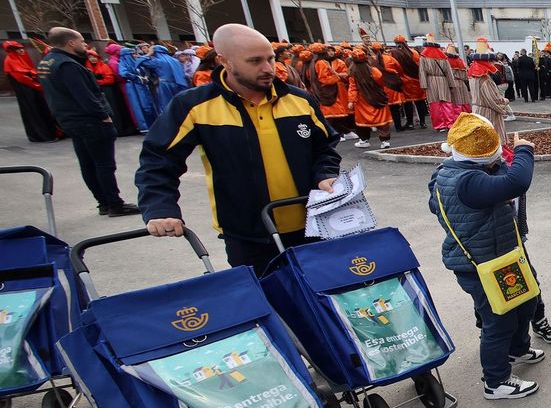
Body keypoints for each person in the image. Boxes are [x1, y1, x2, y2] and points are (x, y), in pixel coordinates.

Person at [136, 24, 340, 273]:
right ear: (224, 61)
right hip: (247, 234)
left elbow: (325, 146)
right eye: (254, 61)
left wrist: (325, 174)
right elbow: (159, 158)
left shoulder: (300, 100)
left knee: (322, 291)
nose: (268, 68)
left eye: (270, 59)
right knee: (265, 293)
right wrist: (160, 207)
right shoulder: (195, 106)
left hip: (313, 225)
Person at [427, 114, 542, 400]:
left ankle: (517, 349)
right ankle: (496, 381)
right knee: (499, 320)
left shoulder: (453, 171)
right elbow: (516, 182)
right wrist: (523, 150)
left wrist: (497, 163)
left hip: (500, 257)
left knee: (525, 301)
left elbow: (500, 178)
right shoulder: (467, 182)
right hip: (482, 265)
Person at [37, 28, 139, 215]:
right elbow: (85, 96)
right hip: (89, 121)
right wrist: (104, 116)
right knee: (103, 164)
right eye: (82, 41)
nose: (85, 45)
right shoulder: (68, 65)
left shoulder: (47, 62)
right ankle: (114, 204)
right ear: (71, 43)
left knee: (88, 164)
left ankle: (104, 202)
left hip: (69, 120)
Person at [3, 40, 60, 143]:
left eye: (21, 48)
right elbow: (23, 78)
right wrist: (39, 86)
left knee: (41, 110)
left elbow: (30, 73)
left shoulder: (20, 59)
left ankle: (51, 132)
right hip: (28, 93)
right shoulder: (11, 61)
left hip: (33, 91)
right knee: (35, 112)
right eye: (18, 49)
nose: (21, 50)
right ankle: (43, 135)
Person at [467, 40, 513, 148]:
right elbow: (493, 100)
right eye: (492, 61)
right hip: (488, 114)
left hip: (478, 110)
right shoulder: (485, 80)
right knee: (493, 141)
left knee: (482, 140)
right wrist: (505, 101)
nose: (493, 63)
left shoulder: (473, 77)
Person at [346, 48, 394, 150]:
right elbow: (381, 83)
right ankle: (385, 141)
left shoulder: (353, 73)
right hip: (377, 97)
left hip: (363, 100)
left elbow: (353, 88)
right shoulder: (374, 71)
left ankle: (364, 140)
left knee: (361, 122)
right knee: (382, 121)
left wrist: (351, 100)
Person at [418, 36, 459, 131]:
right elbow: (448, 72)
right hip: (443, 80)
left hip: (431, 81)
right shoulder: (443, 57)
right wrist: (451, 84)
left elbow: (422, 71)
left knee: (435, 104)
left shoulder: (423, 56)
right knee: (447, 103)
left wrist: (424, 85)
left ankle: (440, 125)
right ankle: (450, 123)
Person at [139, 44, 189, 116]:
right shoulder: (175, 60)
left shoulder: (158, 61)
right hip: (178, 84)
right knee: (179, 105)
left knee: (166, 106)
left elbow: (140, 61)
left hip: (165, 85)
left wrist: (148, 54)